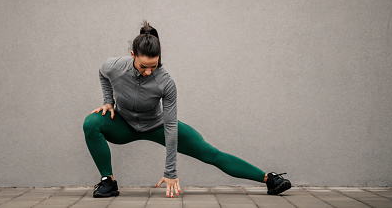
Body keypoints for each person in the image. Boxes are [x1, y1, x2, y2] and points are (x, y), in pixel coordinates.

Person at [83, 21, 291, 198]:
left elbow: (171, 126)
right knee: (91, 123)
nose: (148, 72)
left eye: (153, 66)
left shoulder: (166, 82)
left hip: (156, 125)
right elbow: (102, 72)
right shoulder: (115, 66)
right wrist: (108, 101)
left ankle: (269, 179)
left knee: (211, 153)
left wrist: (170, 171)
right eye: (142, 66)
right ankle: (107, 182)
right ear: (132, 55)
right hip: (123, 124)